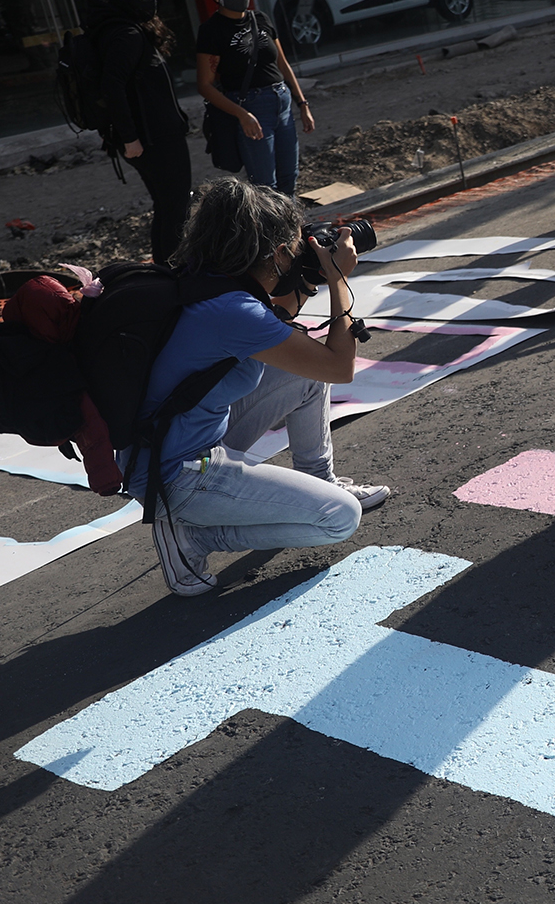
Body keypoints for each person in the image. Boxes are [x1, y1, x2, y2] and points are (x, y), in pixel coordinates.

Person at [138, 178, 390, 597]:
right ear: (277, 254)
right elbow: (339, 367)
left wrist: (311, 278)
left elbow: (284, 330)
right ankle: (194, 540)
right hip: (179, 472)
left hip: (166, 442)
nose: (300, 254)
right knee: (339, 518)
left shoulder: (209, 283)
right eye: (295, 247)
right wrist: (339, 280)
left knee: (302, 373)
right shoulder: (235, 312)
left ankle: (320, 477)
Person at [85, 0, 191, 263]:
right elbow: (112, 87)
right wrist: (130, 137)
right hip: (152, 138)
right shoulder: (126, 35)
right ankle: (175, 271)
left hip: (153, 135)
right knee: (176, 207)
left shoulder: (125, 29)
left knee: (168, 205)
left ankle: (167, 269)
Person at [196, 0, 315, 195]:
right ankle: (272, 231)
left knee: (289, 177)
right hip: (251, 106)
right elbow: (205, 85)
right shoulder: (212, 30)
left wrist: (302, 103)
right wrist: (242, 115)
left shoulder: (260, 18)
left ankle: (291, 230)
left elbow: (282, 63)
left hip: (281, 102)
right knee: (265, 186)